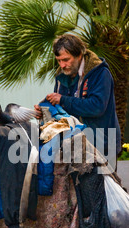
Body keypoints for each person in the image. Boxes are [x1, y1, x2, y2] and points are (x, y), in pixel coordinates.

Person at [34, 34, 121, 165]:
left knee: (103, 186)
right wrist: (45, 112)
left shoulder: (100, 73)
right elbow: (61, 112)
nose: (62, 65)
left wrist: (62, 100)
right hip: (73, 146)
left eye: (66, 60)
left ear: (80, 54)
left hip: (102, 145)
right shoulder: (61, 76)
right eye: (58, 60)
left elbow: (97, 107)